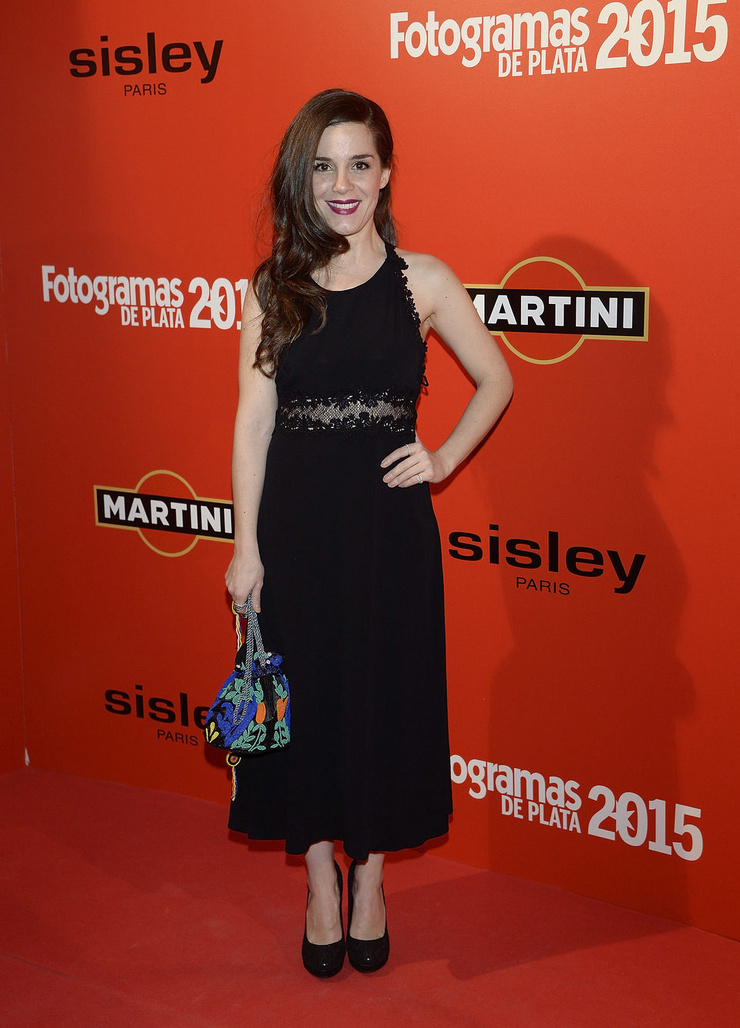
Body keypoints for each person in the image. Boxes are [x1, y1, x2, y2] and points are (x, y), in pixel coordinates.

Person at [225, 88, 513, 977]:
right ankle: (320, 877)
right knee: (307, 702)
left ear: (385, 174)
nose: (341, 184)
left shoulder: (424, 281)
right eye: (323, 166)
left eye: (360, 164)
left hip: (390, 535)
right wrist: (245, 548)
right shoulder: (272, 286)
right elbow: (253, 423)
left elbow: (497, 379)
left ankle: (373, 876)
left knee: (384, 698)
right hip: (296, 533)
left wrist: (444, 457)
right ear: (302, 178)